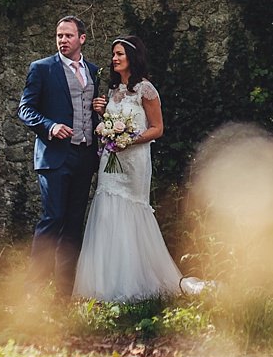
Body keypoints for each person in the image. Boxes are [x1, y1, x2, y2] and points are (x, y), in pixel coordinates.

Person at [74, 36, 184, 300]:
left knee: (130, 210)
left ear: (132, 58)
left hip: (134, 161)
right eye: (113, 54)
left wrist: (131, 140)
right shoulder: (112, 91)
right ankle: (104, 283)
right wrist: (103, 116)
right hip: (110, 161)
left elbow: (158, 128)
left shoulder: (146, 90)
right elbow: (113, 122)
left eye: (120, 54)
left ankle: (136, 280)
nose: (114, 58)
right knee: (106, 209)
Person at [17, 15, 100, 289]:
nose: (63, 40)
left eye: (68, 36)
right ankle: (35, 292)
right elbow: (25, 110)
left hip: (85, 155)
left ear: (82, 39)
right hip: (54, 157)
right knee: (53, 219)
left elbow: (92, 112)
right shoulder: (42, 69)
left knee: (75, 223)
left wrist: (99, 108)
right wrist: (50, 126)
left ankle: (65, 292)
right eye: (59, 36)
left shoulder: (93, 71)